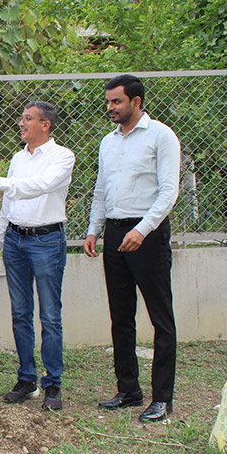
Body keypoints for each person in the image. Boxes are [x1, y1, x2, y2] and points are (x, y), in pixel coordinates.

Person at [83, 74, 181, 423]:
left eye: (117, 101)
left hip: (147, 234)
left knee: (160, 317)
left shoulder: (161, 136)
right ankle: (128, 390)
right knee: (121, 316)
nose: (110, 107)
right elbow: (101, 189)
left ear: (136, 102)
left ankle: (162, 398)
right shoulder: (108, 142)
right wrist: (94, 230)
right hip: (114, 232)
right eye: (109, 101)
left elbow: (169, 191)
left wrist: (142, 230)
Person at [0, 101, 75, 411]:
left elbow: (40, 186)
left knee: (50, 315)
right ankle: (27, 379)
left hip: (46, 241)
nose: (21, 123)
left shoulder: (62, 156)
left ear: (45, 125)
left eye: (28, 119)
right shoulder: (17, 158)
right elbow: (10, 203)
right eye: (22, 118)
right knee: (20, 313)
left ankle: (52, 383)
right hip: (15, 240)